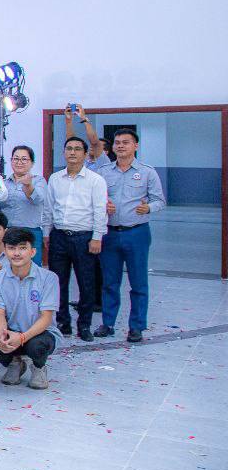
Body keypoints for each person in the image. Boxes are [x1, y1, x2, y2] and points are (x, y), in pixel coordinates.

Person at [96, 128, 165, 342]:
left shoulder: (147, 172)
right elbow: (95, 199)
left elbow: (160, 200)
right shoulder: (104, 172)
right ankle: (107, 323)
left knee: (138, 281)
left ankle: (136, 326)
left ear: (136, 146)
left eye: (126, 142)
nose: (120, 146)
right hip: (110, 233)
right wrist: (102, 206)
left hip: (137, 233)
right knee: (109, 282)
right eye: (117, 142)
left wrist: (149, 208)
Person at [46, 137, 107, 341]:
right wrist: (47, 233)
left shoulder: (95, 180)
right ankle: (63, 322)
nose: (73, 152)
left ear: (85, 154)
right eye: (69, 148)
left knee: (86, 283)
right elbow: (49, 208)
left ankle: (84, 325)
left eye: (77, 149)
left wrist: (97, 237)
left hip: (85, 238)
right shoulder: (55, 178)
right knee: (57, 283)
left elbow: (100, 210)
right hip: (59, 236)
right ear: (64, 152)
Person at [0, 227, 59, 389]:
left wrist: (22, 337)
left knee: (37, 346)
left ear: (32, 252)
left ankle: (39, 367)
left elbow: (46, 318)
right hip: (12, 329)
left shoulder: (49, 278)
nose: (17, 253)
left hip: (39, 332)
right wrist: (2, 336)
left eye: (22, 248)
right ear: (5, 251)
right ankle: (15, 363)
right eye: (11, 248)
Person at [0, 145, 49, 264]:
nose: (19, 162)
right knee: (8, 267)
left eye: (24, 159)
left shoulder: (38, 181)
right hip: (8, 232)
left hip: (30, 232)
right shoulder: (4, 183)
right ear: (11, 161)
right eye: (16, 158)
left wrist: (28, 186)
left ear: (32, 163)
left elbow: (38, 200)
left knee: (32, 269)